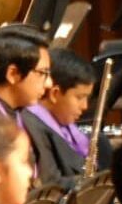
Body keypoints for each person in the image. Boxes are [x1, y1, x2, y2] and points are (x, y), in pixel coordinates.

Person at [21, 48, 104, 188]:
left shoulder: (64, 123)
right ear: (55, 94)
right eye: (79, 97)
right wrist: (94, 183)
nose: (85, 106)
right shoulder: (31, 125)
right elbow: (51, 184)